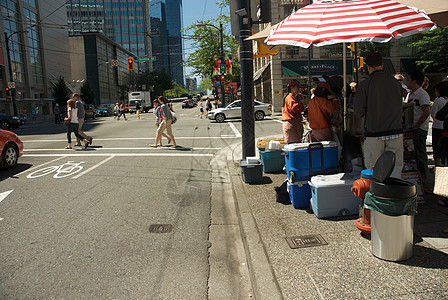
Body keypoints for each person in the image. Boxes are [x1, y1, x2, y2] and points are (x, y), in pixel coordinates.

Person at [354, 52, 403, 178]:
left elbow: (358, 112)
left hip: (374, 132)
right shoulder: (396, 83)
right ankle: (395, 195)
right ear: (382, 64)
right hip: (396, 131)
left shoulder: (365, 85)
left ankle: (379, 196)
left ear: (367, 66)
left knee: (374, 170)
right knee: (395, 169)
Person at [407, 70, 431, 188]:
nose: (407, 81)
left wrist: (417, 126)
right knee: (412, 155)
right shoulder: (410, 94)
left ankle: (424, 182)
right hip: (410, 129)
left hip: (419, 130)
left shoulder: (422, 94)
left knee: (420, 154)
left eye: (409, 79)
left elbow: (426, 112)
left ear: (414, 81)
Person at [431, 81, 448, 167]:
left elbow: (433, 114)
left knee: (437, 147)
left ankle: (437, 165)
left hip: (437, 126)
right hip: (445, 128)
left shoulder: (437, 100)